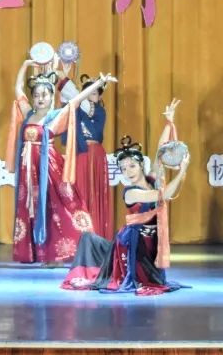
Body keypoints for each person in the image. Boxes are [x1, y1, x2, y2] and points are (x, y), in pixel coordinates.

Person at [62, 100, 188, 295]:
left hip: (152, 240)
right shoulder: (130, 192)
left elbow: (160, 152)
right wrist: (181, 172)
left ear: (141, 165)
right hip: (134, 244)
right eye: (123, 168)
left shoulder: (151, 179)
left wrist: (169, 123)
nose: (128, 171)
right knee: (139, 280)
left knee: (155, 279)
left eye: (132, 166)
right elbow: (164, 195)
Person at [5, 60, 115, 264]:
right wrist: (25, 64)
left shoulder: (55, 116)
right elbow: (18, 89)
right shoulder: (28, 114)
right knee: (29, 207)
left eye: (44, 95)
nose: (40, 99)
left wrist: (98, 83)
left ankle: (57, 253)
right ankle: (33, 252)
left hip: (48, 167)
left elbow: (76, 100)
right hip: (28, 171)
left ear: (51, 97)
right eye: (36, 95)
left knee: (55, 206)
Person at [60, 74, 112, 238]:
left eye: (94, 93)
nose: (90, 96)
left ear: (100, 97)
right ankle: (78, 235)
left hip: (94, 156)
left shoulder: (99, 112)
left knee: (94, 194)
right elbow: (69, 100)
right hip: (79, 155)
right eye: (87, 93)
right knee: (79, 192)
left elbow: (76, 98)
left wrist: (64, 78)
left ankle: (96, 233)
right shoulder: (76, 111)